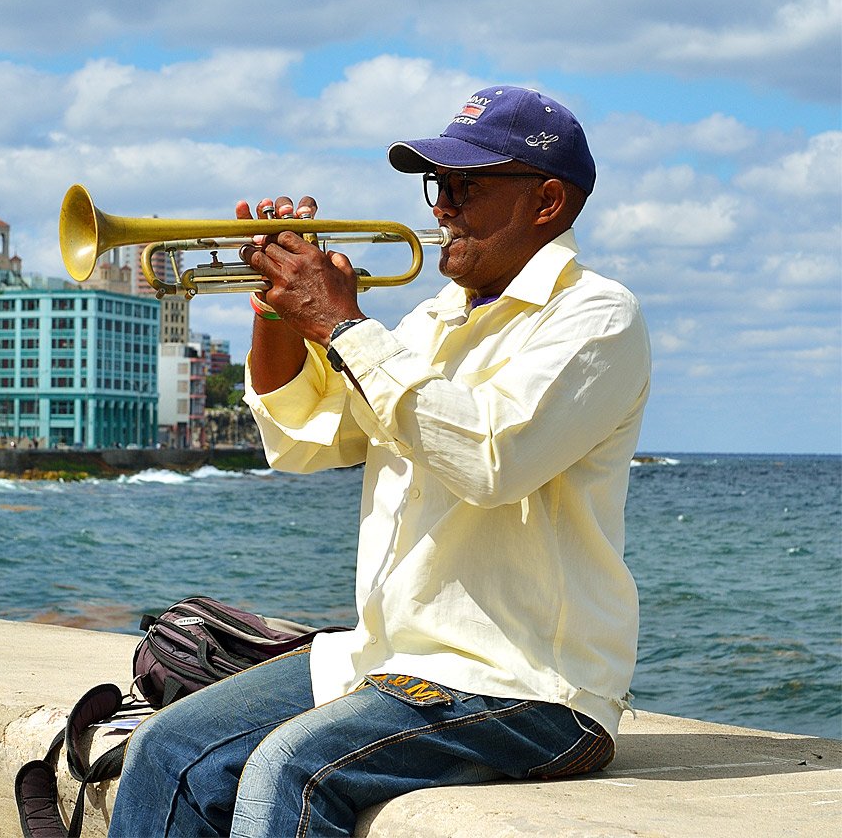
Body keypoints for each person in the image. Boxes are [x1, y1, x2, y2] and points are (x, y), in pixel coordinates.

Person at [108, 86, 651, 837]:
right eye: (438, 186)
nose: (441, 208)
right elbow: (305, 441)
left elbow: (490, 459)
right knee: (164, 748)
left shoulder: (596, 316)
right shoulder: (431, 322)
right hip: (385, 664)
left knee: (290, 770)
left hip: (523, 686)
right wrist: (278, 313)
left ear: (547, 201)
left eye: (466, 185)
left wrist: (342, 320)